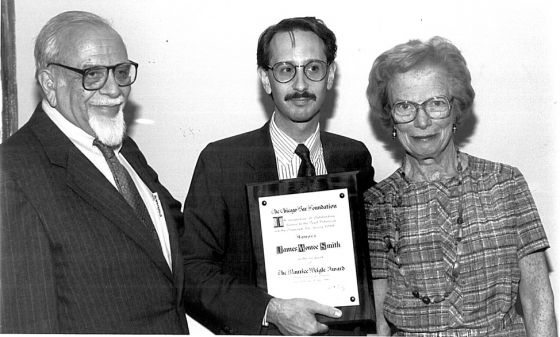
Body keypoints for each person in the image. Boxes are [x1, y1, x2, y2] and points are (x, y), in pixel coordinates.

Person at [182, 17, 375, 335]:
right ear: (265, 79)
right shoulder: (221, 162)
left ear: (330, 76)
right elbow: (191, 271)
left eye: (313, 68)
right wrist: (269, 309)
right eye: (286, 70)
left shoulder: (353, 158)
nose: (301, 85)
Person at [0, 11, 189, 333]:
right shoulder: (12, 173)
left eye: (121, 71)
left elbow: (174, 242)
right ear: (49, 83)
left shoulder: (121, 147)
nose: (114, 90)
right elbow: (26, 319)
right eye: (93, 74)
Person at [364, 36, 557, 336]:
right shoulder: (375, 204)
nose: (422, 121)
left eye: (436, 103)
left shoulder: (505, 184)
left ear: (456, 109)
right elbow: (377, 320)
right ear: (390, 118)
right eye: (405, 106)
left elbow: (537, 300)